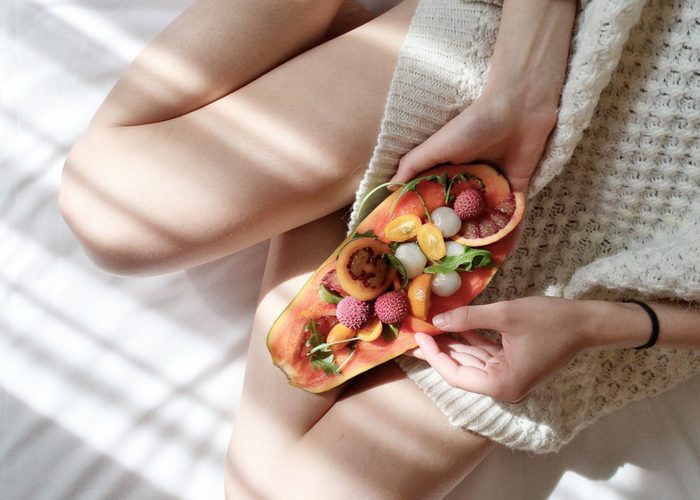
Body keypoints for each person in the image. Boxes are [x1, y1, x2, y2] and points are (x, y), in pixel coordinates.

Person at [59, 0, 700, 498]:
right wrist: (523, 90)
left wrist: (604, 325)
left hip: (606, 279)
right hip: (549, 66)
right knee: (110, 216)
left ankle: (350, 205)